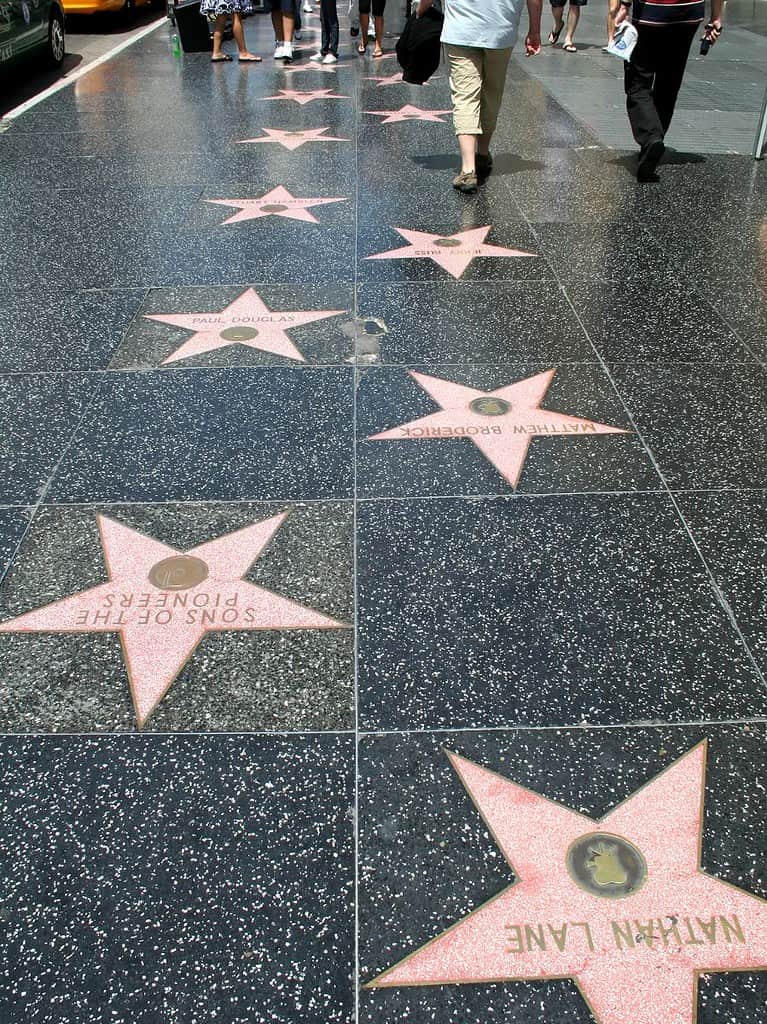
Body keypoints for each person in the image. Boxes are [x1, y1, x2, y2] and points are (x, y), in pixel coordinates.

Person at [417, 0, 542, 193]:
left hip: (461, 29)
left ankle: (468, 169)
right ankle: (482, 153)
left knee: (465, 98)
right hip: (501, 29)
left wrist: (421, 10)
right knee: (492, 91)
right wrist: (534, 30)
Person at [616, 0, 723, 180]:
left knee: (638, 81)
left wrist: (624, 5)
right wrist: (716, 18)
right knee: (670, 80)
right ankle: (651, 145)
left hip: (651, 12)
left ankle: (651, 138)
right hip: (689, 13)